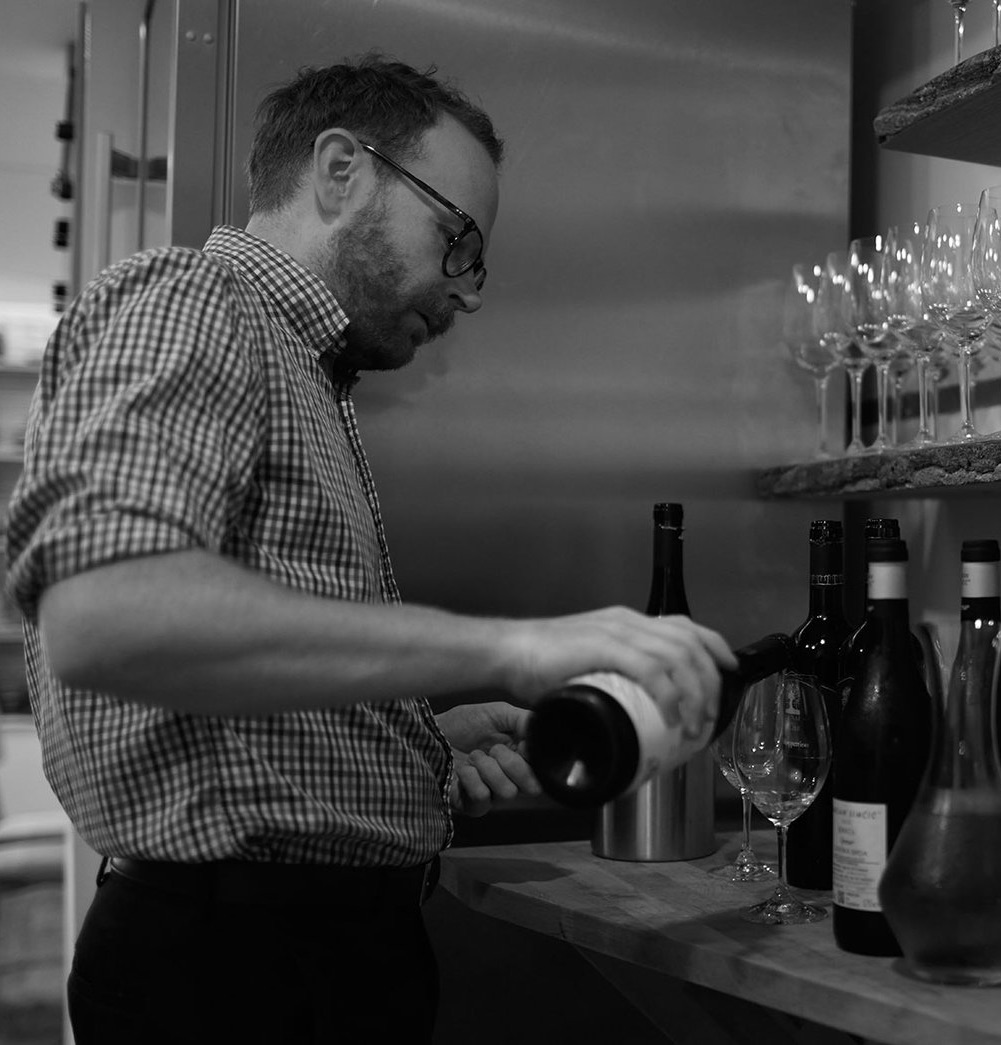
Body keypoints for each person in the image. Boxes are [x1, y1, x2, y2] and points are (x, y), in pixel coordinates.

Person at [4, 55, 735, 1044]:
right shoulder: (196, 299)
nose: (467, 292)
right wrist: (517, 648)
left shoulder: (304, 369)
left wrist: (416, 737)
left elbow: (226, 705)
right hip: (235, 972)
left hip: (298, 955)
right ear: (341, 171)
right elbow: (107, 615)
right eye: (457, 239)